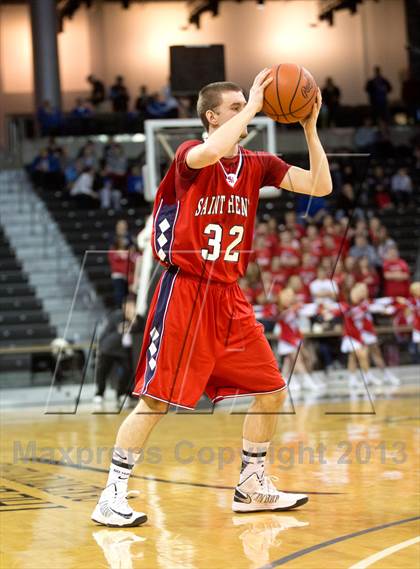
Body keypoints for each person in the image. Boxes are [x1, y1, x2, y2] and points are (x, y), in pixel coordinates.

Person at [91, 69, 332, 527]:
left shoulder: (258, 164)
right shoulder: (189, 156)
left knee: (272, 392)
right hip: (185, 289)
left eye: (248, 103)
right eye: (236, 106)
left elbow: (320, 186)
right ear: (212, 116)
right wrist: (258, 107)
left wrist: (309, 126)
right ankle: (111, 495)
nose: (247, 108)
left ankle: (251, 485)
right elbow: (214, 149)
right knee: (155, 401)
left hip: (229, 296)